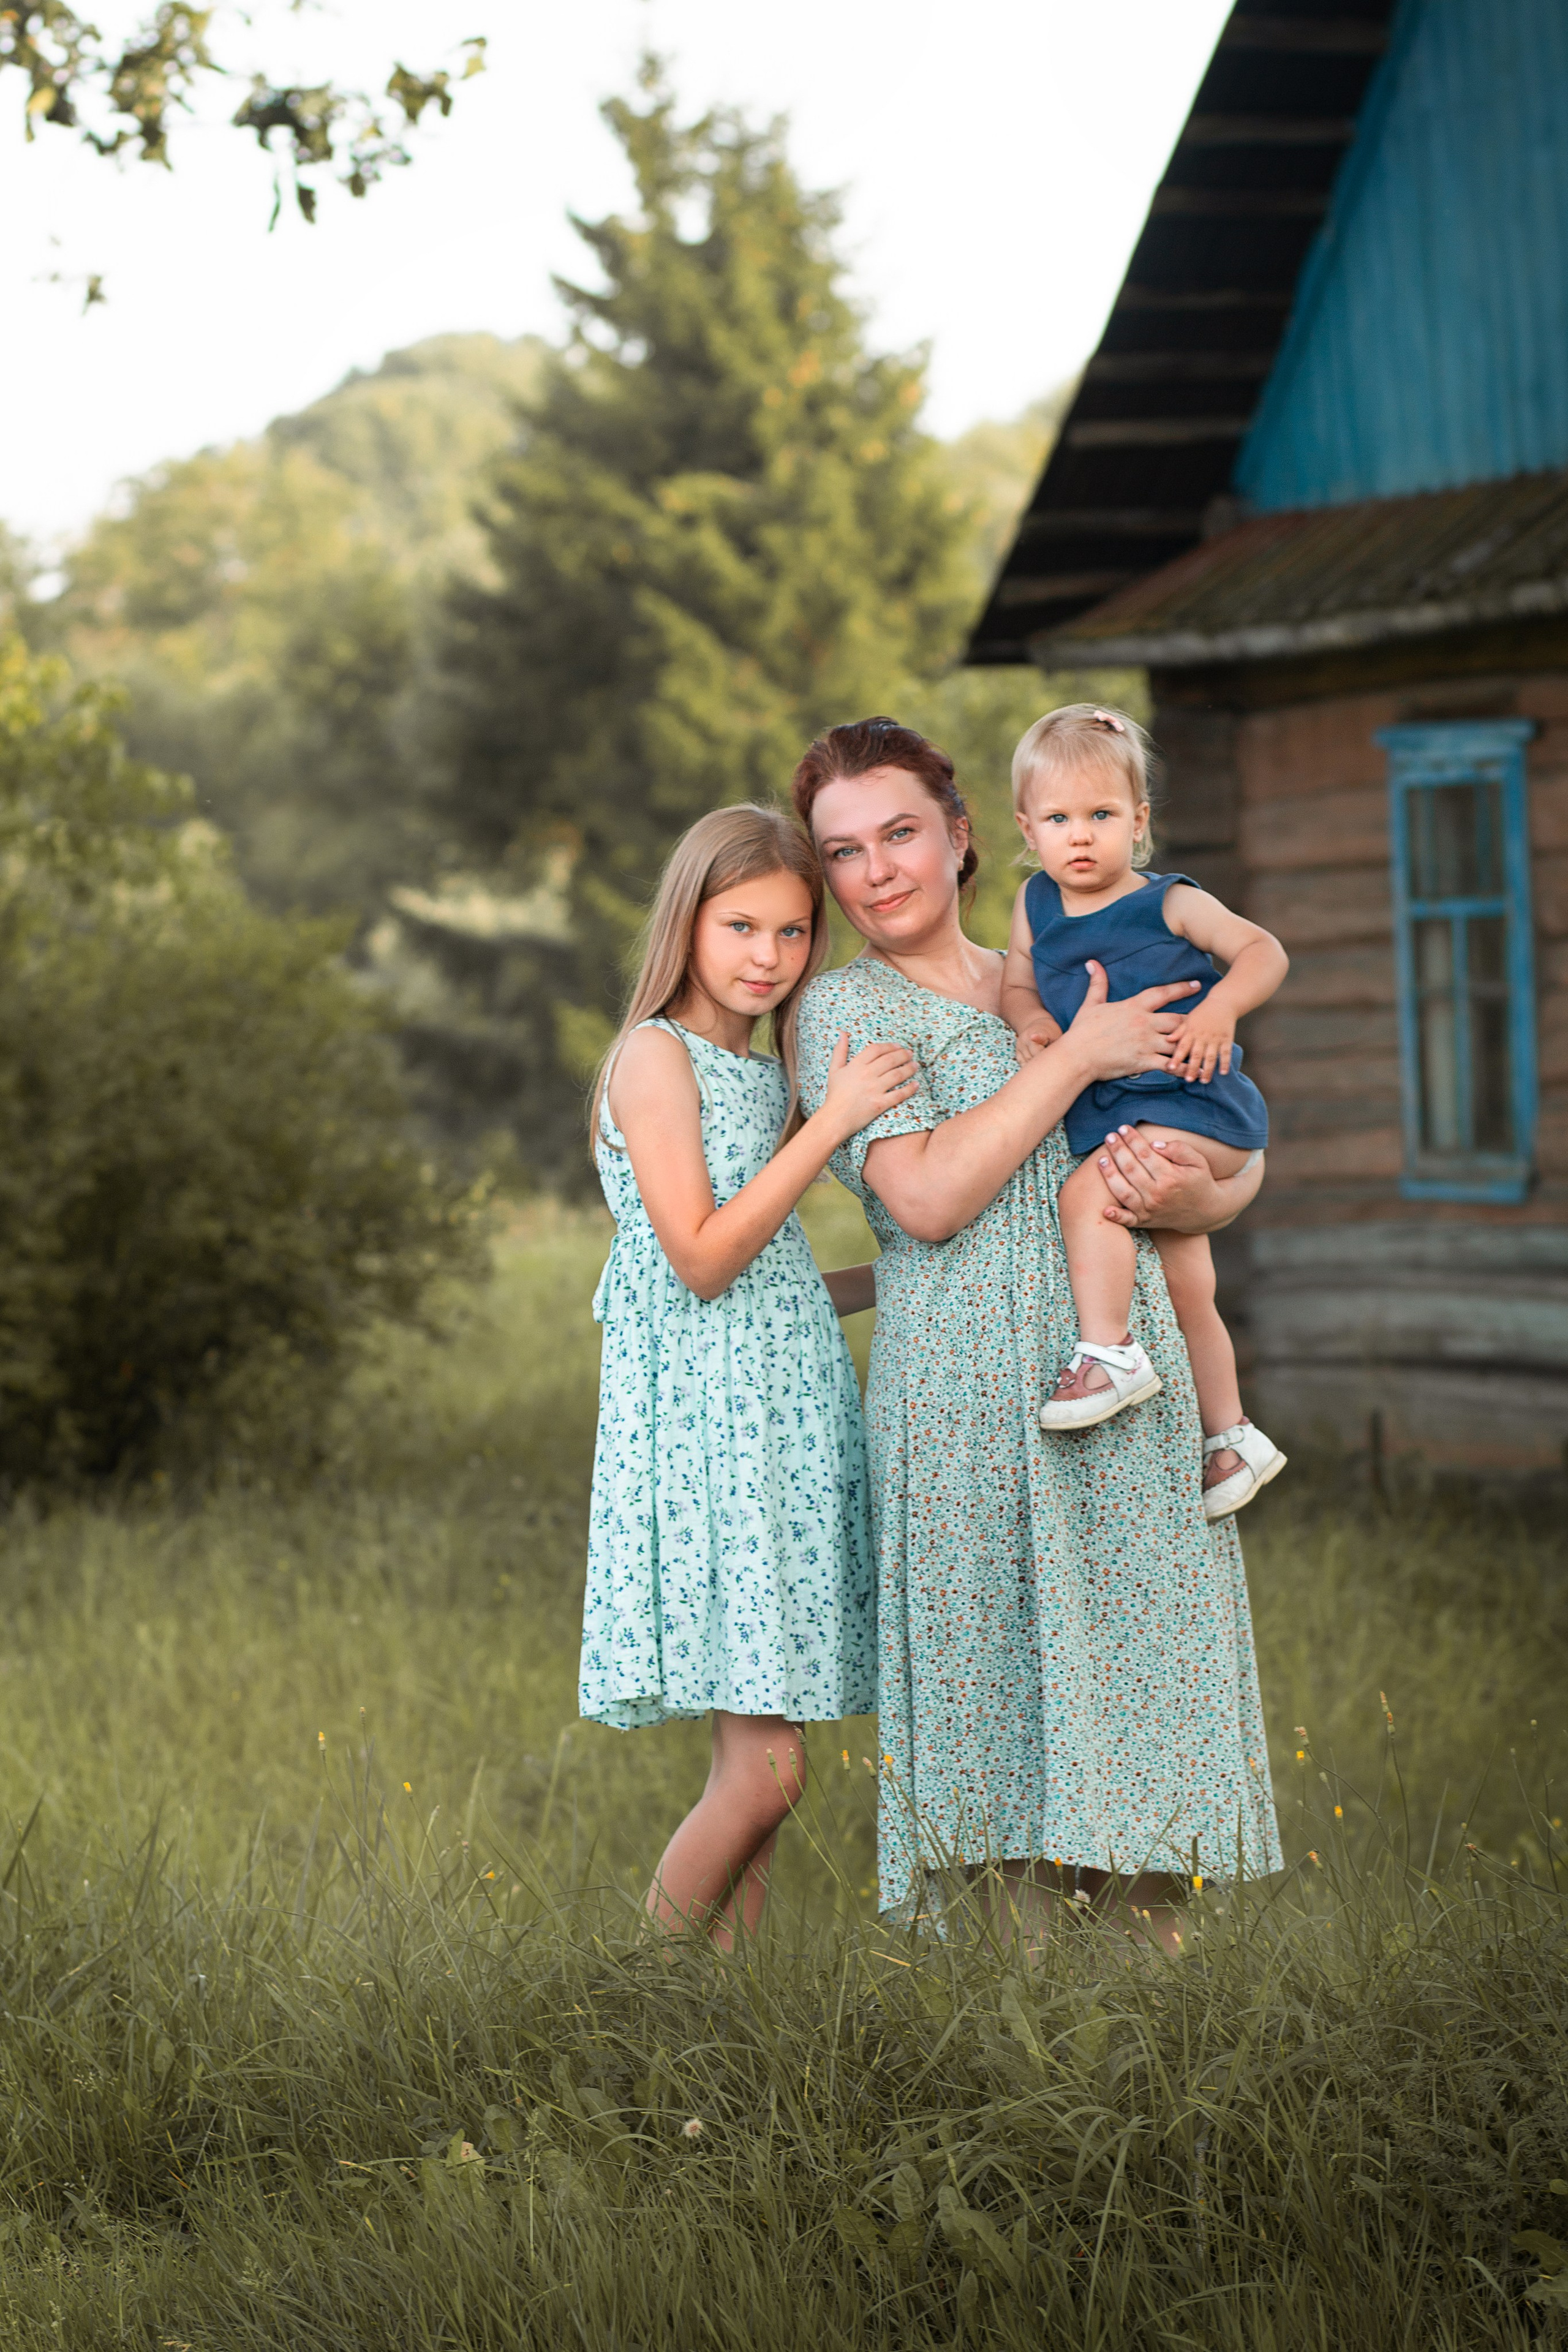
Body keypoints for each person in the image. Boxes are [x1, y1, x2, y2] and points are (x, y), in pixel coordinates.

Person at [791, 718, 1283, 1950]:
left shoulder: (1081, 954)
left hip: (1118, 1391)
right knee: (992, 1747)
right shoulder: (840, 1013)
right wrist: (1073, 1066)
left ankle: (1158, 2058)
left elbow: (1221, 1163)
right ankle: (1014, 2056)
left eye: (899, 833)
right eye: (843, 853)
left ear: (961, 838)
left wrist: (1203, 1190)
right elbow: (922, 1199)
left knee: (1143, 1726)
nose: (878, 870)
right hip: (957, 1410)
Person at [579, 803, 917, 1946]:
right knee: (768, 1774)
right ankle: (630, 1996)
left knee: (764, 1784)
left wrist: (904, 1278)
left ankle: (715, 2041)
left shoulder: (752, 1073)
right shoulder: (655, 1059)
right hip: (710, 1451)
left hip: (778, 1432)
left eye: (791, 934)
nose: (768, 959)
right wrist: (830, 1125)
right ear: (690, 920)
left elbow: (770, 1286)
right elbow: (705, 1259)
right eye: (742, 928)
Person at [1000, 704, 1289, 1521]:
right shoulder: (1037, 905)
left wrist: (1220, 1012)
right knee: (1188, 1281)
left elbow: (1265, 951)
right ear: (1028, 827)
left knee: (1083, 1196)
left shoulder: (1169, 903)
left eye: (1102, 815)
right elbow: (1019, 981)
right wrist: (1030, 1022)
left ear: (1140, 820)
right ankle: (1230, 1437)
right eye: (1059, 819)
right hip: (1128, 1119)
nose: (1080, 836)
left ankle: (1110, 1353)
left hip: (1194, 1103)